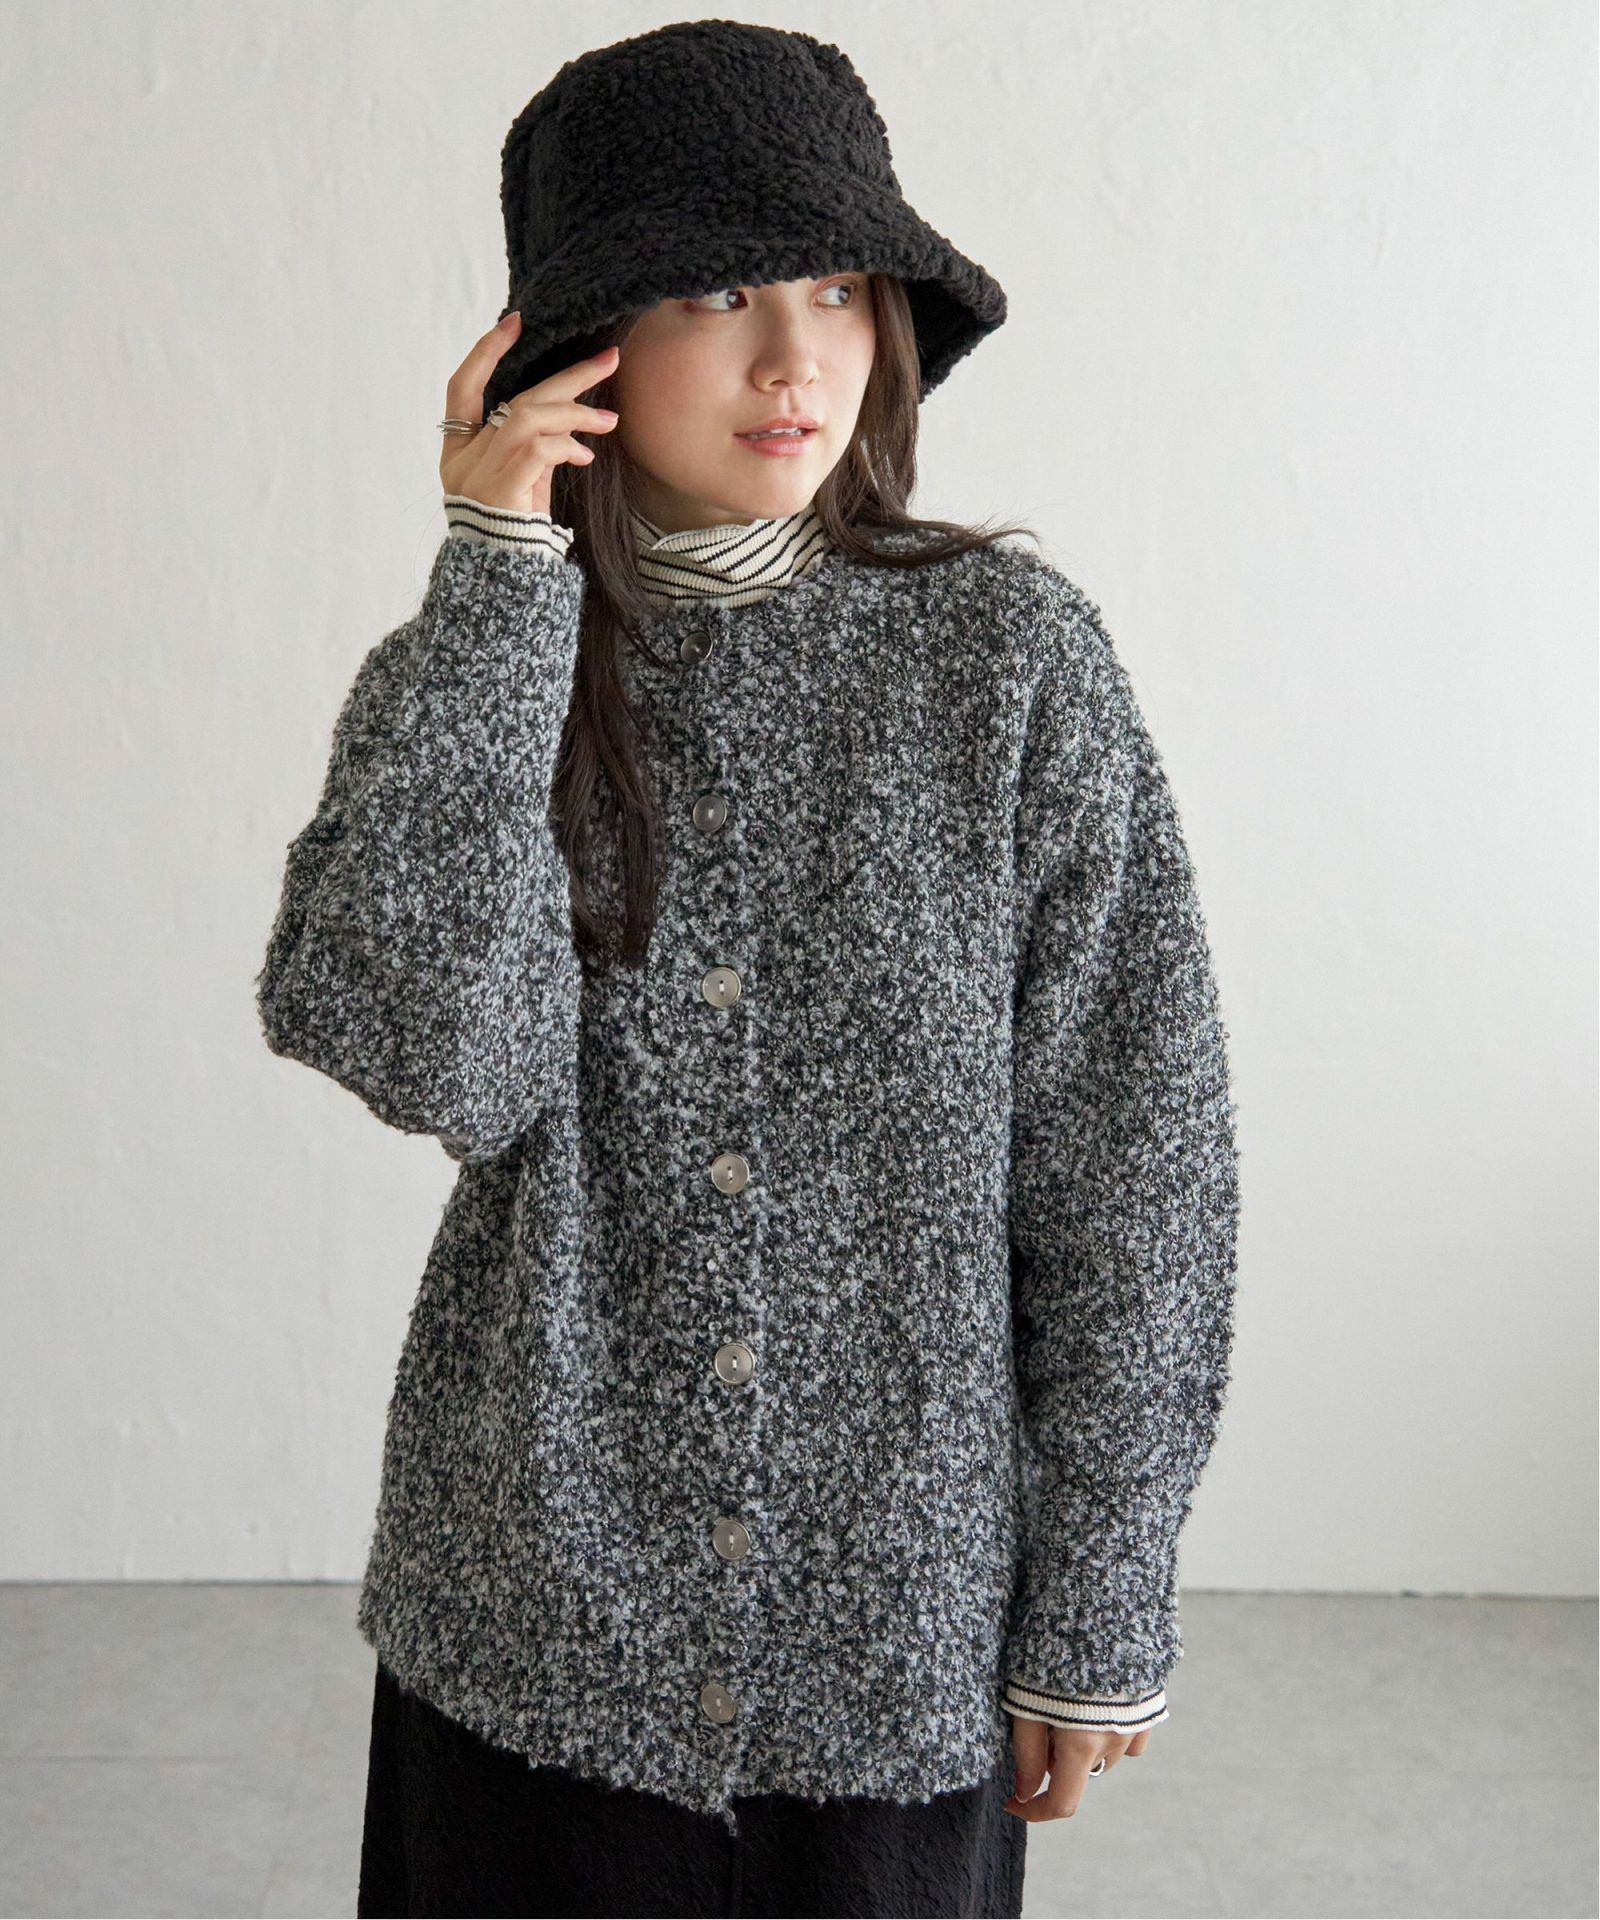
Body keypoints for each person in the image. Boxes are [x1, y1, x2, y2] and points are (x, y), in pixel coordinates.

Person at [254, 21, 1241, 1919]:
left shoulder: (1011, 661)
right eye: (716, 292)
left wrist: (1103, 1582)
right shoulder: (482, 663)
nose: (798, 359)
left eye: (838, 289)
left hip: (904, 1632)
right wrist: (497, 579)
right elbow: (446, 1059)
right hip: (538, 1616)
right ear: (578, 343)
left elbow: (1138, 1153)